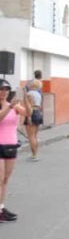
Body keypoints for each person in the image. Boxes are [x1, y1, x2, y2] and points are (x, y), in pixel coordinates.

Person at [0, 79, 28, 223]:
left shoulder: (13, 105)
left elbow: (27, 113)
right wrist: (9, 107)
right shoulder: (8, 106)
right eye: (1, 89)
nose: (4, 92)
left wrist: (26, 99)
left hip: (11, 146)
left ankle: (1, 208)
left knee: (5, 180)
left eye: (6, 89)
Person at [24, 70, 44, 161]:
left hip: (32, 113)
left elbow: (29, 106)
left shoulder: (29, 94)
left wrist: (28, 117)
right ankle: (35, 153)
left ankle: (34, 155)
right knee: (35, 135)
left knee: (31, 136)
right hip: (38, 113)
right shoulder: (38, 94)